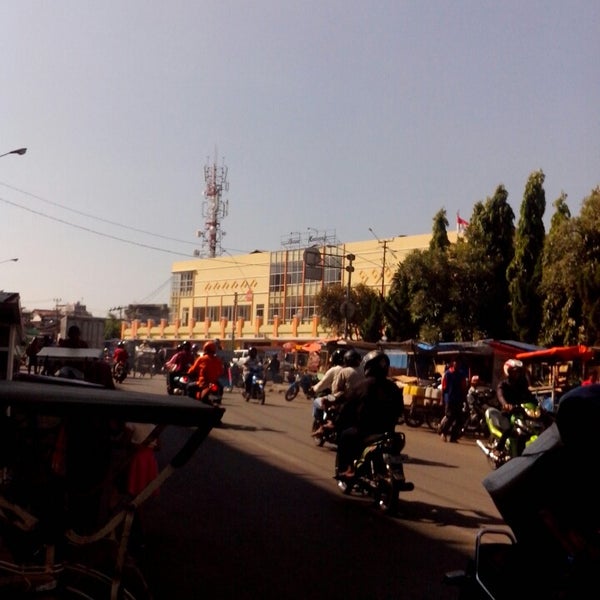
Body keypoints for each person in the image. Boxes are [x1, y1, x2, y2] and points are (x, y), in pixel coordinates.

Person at [335, 350, 404, 479]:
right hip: (388, 432)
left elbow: (347, 406)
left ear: (368, 367)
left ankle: (348, 467)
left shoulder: (361, 386)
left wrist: (339, 420)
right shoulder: (394, 388)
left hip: (364, 431)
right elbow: (400, 410)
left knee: (344, 436)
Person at [494, 358, 536, 455]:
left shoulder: (522, 384)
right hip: (507, 413)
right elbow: (500, 396)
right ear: (508, 371)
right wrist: (506, 405)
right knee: (508, 428)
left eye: (518, 372)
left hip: (521, 411)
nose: (516, 374)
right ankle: (498, 449)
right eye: (514, 372)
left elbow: (529, 396)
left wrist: (538, 405)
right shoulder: (503, 385)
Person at [310, 348, 346, 434]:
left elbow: (322, 383)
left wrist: (314, 389)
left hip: (336, 397)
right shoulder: (354, 370)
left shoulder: (335, 369)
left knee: (317, 402)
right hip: (351, 398)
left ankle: (322, 425)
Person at [439, 360, 468, 443]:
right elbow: (443, 388)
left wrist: (464, 400)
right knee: (450, 417)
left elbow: (463, 388)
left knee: (459, 419)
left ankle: (453, 437)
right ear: (453, 364)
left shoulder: (461, 375)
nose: (457, 365)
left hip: (458, 399)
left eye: (459, 363)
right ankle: (443, 433)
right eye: (456, 363)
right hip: (449, 399)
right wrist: (442, 399)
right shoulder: (447, 374)